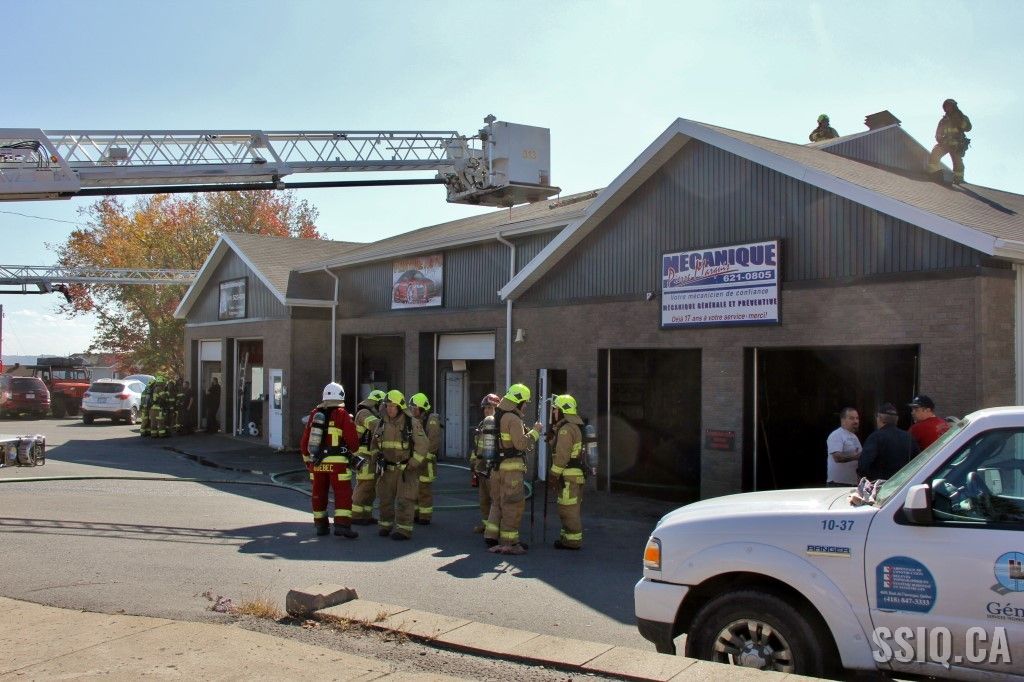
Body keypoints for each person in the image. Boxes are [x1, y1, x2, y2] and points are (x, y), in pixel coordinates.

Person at [484, 383, 542, 555]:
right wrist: (536, 432)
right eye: (525, 403)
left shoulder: (498, 415)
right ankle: (509, 542)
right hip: (511, 471)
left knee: (497, 502)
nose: (525, 407)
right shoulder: (513, 419)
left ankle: (491, 535)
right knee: (512, 504)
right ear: (518, 402)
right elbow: (521, 444)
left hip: (496, 468)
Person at [299, 382, 360, 538]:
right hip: (338, 464)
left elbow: (305, 441)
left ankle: (321, 525)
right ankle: (342, 525)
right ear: (341, 397)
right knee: (342, 493)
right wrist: (353, 452)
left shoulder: (314, 414)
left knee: (318, 493)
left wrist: (307, 460)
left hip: (317, 463)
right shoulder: (342, 414)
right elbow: (353, 442)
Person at [373, 390, 429, 541]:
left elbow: (423, 445)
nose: (390, 409)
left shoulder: (412, 423)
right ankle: (385, 525)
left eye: (393, 406)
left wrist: (413, 463)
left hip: (405, 470)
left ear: (400, 407)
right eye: (388, 406)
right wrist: (376, 460)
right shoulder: (382, 423)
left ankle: (403, 529)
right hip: (387, 469)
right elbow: (374, 444)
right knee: (385, 498)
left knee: (405, 500)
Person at [547, 394, 586, 550]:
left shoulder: (566, 429)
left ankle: (573, 541)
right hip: (574, 475)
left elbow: (562, 456)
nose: (554, 412)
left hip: (569, 476)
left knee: (568, 509)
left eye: (555, 409)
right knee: (567, 507)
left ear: (563, 410)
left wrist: (553, 475)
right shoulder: (572, 427)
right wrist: (552, 440)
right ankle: (566, 538)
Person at [857, 402, 919, 481]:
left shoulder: (875, 437)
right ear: (897, 419)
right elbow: (917, 462)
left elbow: (863, 466)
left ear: (879, 418)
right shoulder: (909, 438)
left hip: (881, 485)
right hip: (903, 484)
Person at [351, 389, 385, 525]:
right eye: (382, 405)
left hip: (371, 456)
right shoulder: (364, 413)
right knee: (364, 485)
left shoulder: (372, 413)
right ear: (376, 403)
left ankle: (366, 515)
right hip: (363, 457)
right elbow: (375, 425)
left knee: (371, 488)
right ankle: (356, 515)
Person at [469, 393, 501, 533]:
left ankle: (496, 529)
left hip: (492, 469)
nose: (487, 411)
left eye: (490, 408)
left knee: (495, 501)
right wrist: (473, 462)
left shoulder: (499, 425)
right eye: (485, 408)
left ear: (496, 409)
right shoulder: (482, 424)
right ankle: (487, 526)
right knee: (484, 500)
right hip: (481, 468)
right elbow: (477, 446)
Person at [410, 392, 442, 525]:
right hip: (416, 460)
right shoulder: (415, 420)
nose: (412, 411)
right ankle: (415, 514)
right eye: (411, 408)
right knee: (414, 490)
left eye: (415, 408)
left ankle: (425, 516)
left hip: (426, 462)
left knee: (424, 491)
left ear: (423, 409)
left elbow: (433, 442)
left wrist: (422, 457)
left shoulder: (431, 420)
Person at [927, 98, 972, 185]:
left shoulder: (961, 117)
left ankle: (958, 179)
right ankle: (933, 173)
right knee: (935, 153)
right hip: (945, 144)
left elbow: (968, 128)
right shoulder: (943, 120)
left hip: (956, 145)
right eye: (946, 107)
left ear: (954, 107)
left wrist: (959, 121)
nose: (948, 108)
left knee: (958, 162)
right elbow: (938, 133)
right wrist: (940, 140)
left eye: (950, 106)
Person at [826, 407, 861, 487]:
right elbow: (837, 458)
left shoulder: (854, 437)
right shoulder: (836, 435)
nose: (856, 421)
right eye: (851, 418)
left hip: (853, 484)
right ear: (843, 420)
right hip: (838, 484)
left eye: (857, 418)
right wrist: (857, 457)